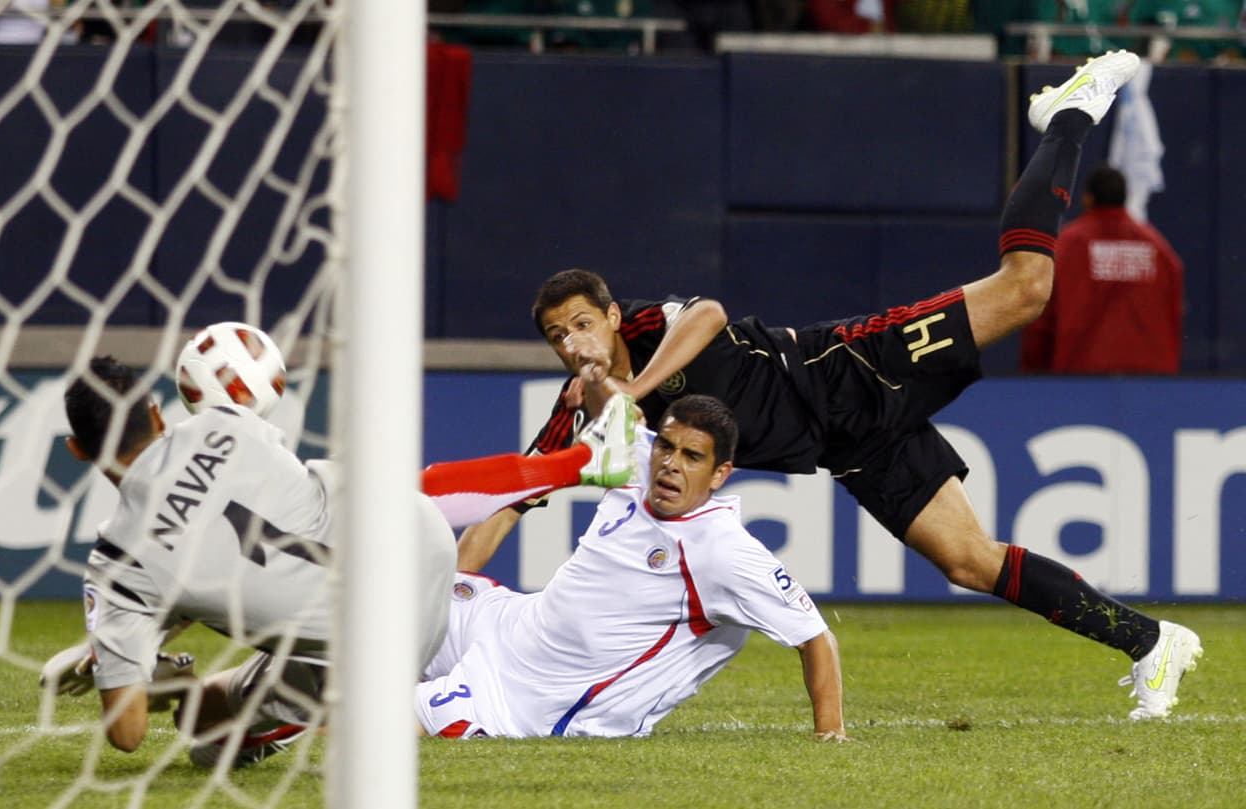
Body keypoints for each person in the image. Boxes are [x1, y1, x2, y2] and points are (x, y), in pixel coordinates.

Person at [459, 50, 1203, 721]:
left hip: (848, 367)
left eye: (582, 322)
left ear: (612, 316)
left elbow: (710, 313)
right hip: (849, 446)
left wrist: (636, 388)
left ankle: (1070, 112)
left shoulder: (652, 328)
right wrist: (444, 592)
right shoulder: (579, 414)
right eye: (557, 335)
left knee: (1026, 288)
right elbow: (508, 503)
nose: (573, 341)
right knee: (968, 560)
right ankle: (1152, 641)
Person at [57, 355, 637, 764]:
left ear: (76, 450)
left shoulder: (119, 564)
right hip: (425, 550)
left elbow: (127, 735)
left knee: (200, 717)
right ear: (157, 414)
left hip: (369, 659)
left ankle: (283, 715)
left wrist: (127, 661)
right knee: (367, 489)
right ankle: (580, 462)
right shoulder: (220, 423)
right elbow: (217, 544)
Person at [419, 394, 846, 740]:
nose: (671, 463)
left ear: (720, 474)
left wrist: (830, 734)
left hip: (521, 699)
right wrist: (594, 374)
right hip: (505, 623)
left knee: (383, 722)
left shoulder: (723, 552)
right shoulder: (639, 460)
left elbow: (814, 637)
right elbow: (616, 406)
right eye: (666, 446)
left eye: (692, 456)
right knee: (397, 594)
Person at [1020, 165, 1184, 374]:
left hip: (1081, 378)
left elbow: (1039, 319)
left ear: (1088, 199)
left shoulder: (1065, 247)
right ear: (1125, 197)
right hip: (1152, 379)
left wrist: (1034, 373)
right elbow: (1174, 315)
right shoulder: (1160, 251)